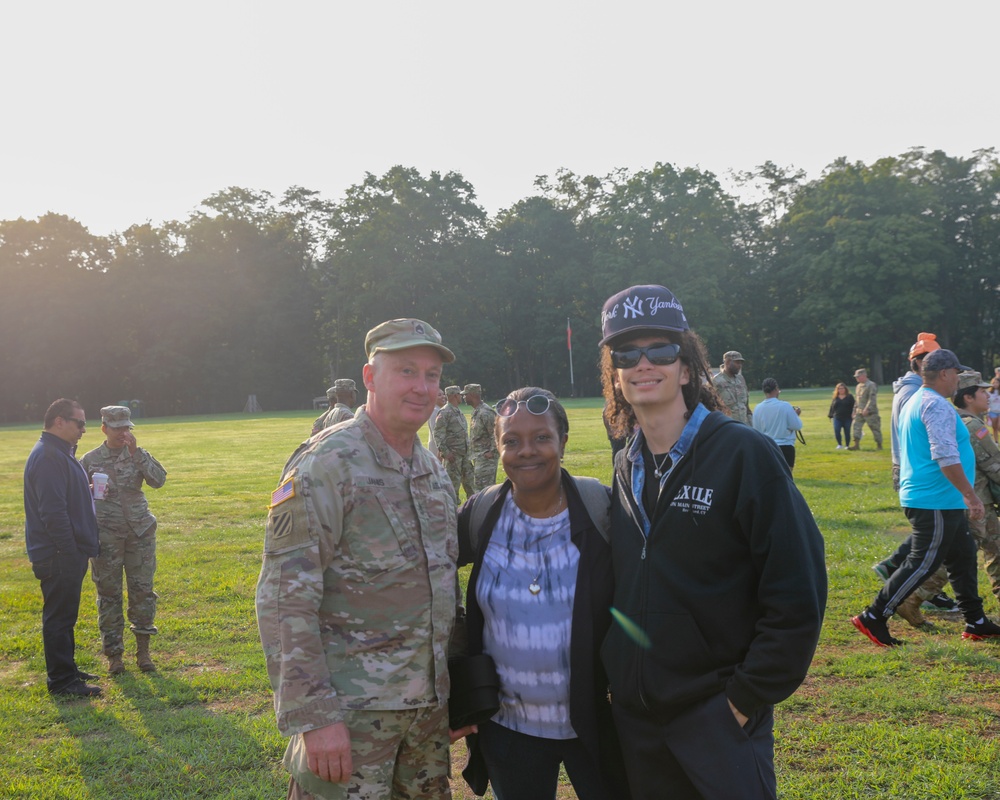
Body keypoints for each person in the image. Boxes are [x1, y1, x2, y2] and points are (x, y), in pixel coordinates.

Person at [598, 285, 826, 800]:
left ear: (686, 367)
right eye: (626, 354)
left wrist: (742, 701)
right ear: (615, 374)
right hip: (637, 720)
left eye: (660, 349)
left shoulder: (743, 453)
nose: (643, 363)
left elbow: (798, 589)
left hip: (716, 716)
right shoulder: (625, 464)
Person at [256, 318, 461, 799]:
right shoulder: (327, 464)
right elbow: (284, 599)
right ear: (369, 378)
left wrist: (454, 695)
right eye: (406, 371)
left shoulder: (432, 471)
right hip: (349, 719)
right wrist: (315, 717)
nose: (422, 387)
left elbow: (440, 590)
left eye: (432, 375)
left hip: (425, 721)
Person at [456, 387, 627, 800]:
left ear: (563, 442)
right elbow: (424, 571)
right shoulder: (482, 513)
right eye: (511, 441)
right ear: (497, 448)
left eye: (542, 438)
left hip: (598, 719)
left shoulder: (602, 509)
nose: (526, 451)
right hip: (508, 727)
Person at [852, 349, 1000, 647]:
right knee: (922, 563)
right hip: (934, 499)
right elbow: (945, 456)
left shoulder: (917, 400)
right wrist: (971, 496)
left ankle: (976, 621)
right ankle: (874, 616)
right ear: (945, 373)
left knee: (962, 558)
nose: (958, 379)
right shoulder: (935, 405)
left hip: (938, 498)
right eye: (956, 373)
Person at [80, 405, 167, 674]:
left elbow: (159, 481)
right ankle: (114, 656)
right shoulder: (90, 460)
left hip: (139, 533)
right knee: (109, 595)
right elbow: (77, 495)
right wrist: (90, 489)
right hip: (106, 536)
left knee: (142, 591)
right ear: (104, 428)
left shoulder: (138, 455)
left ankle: (143, 652)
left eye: (127, 428)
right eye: (117, 428)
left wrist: (137, 454)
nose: (123, 433)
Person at [23, 398, 102, 696]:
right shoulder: (48, 457)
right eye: (79, 422)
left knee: (65, 615)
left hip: (64, 552)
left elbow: (61, 497)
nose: (84, 429)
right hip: (58, 554)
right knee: (58, 617)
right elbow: (52, 512)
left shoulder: (57, 452)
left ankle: (67, 670)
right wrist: (69, 551)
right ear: (59, 421)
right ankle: (62, 681)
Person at [953, 371, 1000, 607]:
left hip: (967, 499)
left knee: (958, 555)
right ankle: (914, 595)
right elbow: (994, 464)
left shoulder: (959, 420)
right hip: (978, 501)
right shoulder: (973, 426)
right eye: (982, 391)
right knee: (992, 552)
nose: (988, 394)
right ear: (968, 397)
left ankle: (913, 595)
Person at [753, 378, 803, 470]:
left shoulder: (758, 408)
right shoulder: (785, 406)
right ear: (776, 389)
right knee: (786, 478)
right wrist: (796, 415)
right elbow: (797, 426)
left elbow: (757, 430)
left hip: (767, 446)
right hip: (785, 447)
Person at [434, 385, 475, 499]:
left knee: (471, 486)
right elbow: (438, 434)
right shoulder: (445, 412)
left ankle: (472, 510)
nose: (461, 397)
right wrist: (446, 453)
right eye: (459, 395)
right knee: (452, 489)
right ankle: (453, 514)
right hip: (453, 457)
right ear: (454, 396)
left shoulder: (458, 411)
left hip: (464, 455)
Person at [462, 383, 499, 492]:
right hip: (479, 456)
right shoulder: (477, 411)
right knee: (479, 488)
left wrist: (492, 452)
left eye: (466, 395)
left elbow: (495, 433)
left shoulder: (485, 412)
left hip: (486, 457)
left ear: (472, 395)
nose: (464, 397)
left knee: (485, 489)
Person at [711, 350, 752, 424]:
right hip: (728, 427)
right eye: (737, 363)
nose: (740, 365)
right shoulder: (716, 381)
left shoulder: (741, 379)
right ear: (728, 362)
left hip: (744, 426)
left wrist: (751, 424)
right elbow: (712, 407)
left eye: (741, 363)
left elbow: (746, 406)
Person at [848, 368, 882, 450]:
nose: (857, 378)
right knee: (856, 427)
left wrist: (867, 409)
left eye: (858, 376)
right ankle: (856, 445)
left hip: (870, 412)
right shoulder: (858, 386)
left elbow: (872, 398)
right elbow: (857, 400)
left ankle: (879, 445)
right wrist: (854, 411)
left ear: (864, 376)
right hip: (859, 411)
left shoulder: (871, 385)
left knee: (875, 428)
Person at [828, 382, 855, 449]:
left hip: (847, 417)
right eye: (839, 389)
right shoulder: (835, 397)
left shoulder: (850, 397)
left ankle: (847, 445)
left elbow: (854, 406)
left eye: (842, 388)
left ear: (845, 389)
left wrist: (854, 414)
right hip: (837, 417)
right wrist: (830, 415)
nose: (841, 390)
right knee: (837, 430)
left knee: (847, 431)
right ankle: (839, 444)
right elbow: (832, 406)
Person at [426, 388, 447, 452]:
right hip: (437, 448)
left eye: (443, 394)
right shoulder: (434, 411)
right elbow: (436, 433)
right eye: (439, 395)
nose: (443, 396)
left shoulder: (440, 410)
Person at [989, 377, 1000, 444]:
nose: (995, 384)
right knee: (994, 427)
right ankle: (996, 441)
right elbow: (987, 402)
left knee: (999, 426)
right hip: (993, 412)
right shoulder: (989, 393)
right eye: (994, 383)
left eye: (997, 382)